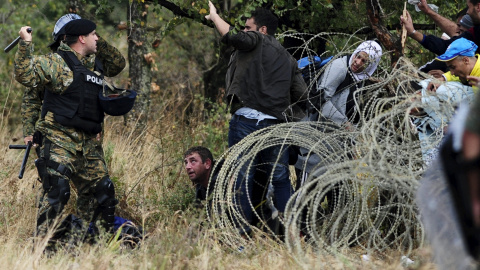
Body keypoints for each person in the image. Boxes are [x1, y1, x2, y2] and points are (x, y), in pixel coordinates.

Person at [14, 18, 126, 242]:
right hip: (59, 138)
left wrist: (93, 40)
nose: (98, 37)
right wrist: (26, 43)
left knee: (103, 191)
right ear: (80, 37)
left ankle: (93, 244)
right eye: (93, 34)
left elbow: (117, 64)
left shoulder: (92, 63)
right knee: (58, 190)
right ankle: (42, 249)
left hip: (89, 142)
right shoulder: (55, 62)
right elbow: (27, 82)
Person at [205, 1, 307, 235]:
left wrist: (214, 16)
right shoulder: (289, 59)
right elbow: (302, 95)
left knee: (243, 173)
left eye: (248, 28)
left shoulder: (257, 40)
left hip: (246, 122)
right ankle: (292, 231)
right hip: (275, 126)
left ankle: (240, 233)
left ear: (262, 30)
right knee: (280, 177)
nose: (245, 31)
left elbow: (233, 37)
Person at [410, 38, 477, 164]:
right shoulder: (469, 69)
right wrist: (443, 77)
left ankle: (440, 131)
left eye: (453, 67)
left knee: (439, 92)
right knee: (430, 89)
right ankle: (430, 161)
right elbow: (451, 75)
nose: (452, 72)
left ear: (466, 60)